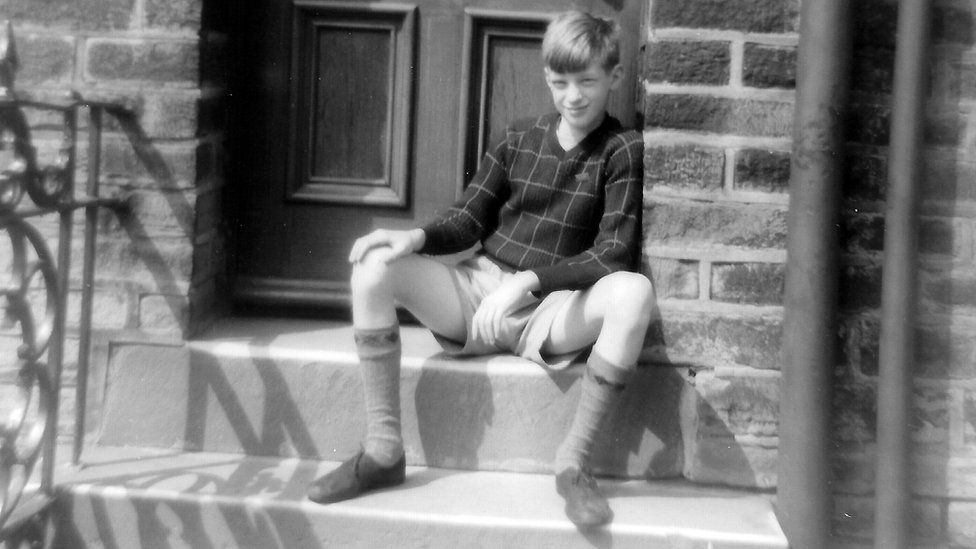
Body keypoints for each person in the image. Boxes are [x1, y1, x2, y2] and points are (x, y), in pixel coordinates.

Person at [306, 9, 653, 528]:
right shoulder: (517, 138)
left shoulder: (620, 149)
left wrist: (528, 284)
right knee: (375, 265)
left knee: (634, 292)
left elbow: (612, 254)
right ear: (546, 79)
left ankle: (573, 466)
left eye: (588, 82)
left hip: (552, 311)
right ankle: (382, 451)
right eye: (560, 83)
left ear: (615, 78)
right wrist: (415, 237)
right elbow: (468, 218)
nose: (573, 96)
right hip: (479, 292)